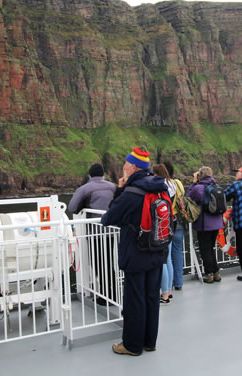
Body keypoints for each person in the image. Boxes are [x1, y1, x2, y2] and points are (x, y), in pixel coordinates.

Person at [101, 147, 167, 356]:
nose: (123, 168)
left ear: (133, 167)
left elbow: (108, 218)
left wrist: (119, 190)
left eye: (125, 166)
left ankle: (132, 345)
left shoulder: (131, 193)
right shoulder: (160, 188)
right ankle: (149, 341)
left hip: (136, 253)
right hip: (157, 251)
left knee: (134, 300)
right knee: (151, 298)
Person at [68, 163, 117, 304]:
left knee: (98, 263)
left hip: (95, 232)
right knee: (108, 262)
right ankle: (112, 292)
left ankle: (105, 296)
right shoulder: (112, 187)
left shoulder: (85, 189)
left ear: (90, 174)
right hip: (111, 230)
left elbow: (72, 207)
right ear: (103, 174)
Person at [186, 166, 223, 283]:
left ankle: (209, 274)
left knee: (205, 249)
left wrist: (193, 182)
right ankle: (216, 272)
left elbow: (187, 198)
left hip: (204, 224)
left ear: (200, 176)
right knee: (210, 248)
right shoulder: (217, 186)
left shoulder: (198, 188)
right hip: (217, 223)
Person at [152, 163, 175, 305]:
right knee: (169, 259)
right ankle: (169, 291)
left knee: (163, 261)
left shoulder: (160, 188)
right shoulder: (172, 185)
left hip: (161, 225)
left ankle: (164, 294)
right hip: (170, 221)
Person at [163, 160, 185, 292]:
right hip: (180, 220)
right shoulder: (179, 183)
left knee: (167, 254)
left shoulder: (164, 185)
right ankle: (179, 282)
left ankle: (167, 285)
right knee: (177, 252)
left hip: (168, 221)